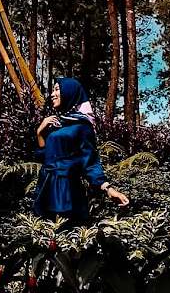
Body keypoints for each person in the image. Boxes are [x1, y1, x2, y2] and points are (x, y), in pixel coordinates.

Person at [33, 77, 129, 224]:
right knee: (43, 239)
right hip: (46, 188)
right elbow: (44, 157)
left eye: (57, 89)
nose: (52, 94)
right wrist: (40, 132)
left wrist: (108, 189)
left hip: (67, 191)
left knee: (66, 238)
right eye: (52, 90)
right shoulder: (55, 124)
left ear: (70, 92)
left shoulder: (82, 125)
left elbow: (89, 161)